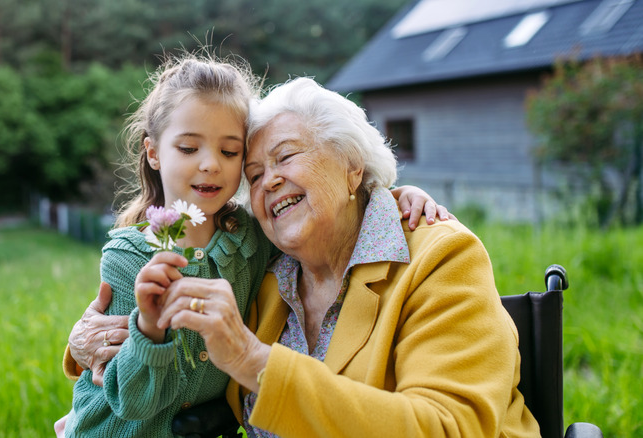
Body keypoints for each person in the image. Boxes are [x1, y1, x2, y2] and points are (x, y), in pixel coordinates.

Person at [56, 52, 451, 438]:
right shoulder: (141, 255)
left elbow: (337, 207)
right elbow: (124, 383)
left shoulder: (252, 241)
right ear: (154, 152)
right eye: (256, 172)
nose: (211, 164)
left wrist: (391, 195)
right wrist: (99, 341)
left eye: (230, 152)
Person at [141, 77, 540, 436]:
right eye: (256, 175)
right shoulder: (265, 276)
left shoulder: (442, 258)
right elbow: (186, 361)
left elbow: (448, 428)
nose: (270, 181)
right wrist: (93, 351)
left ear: (352, 166)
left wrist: (251, 359)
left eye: (286, 156)